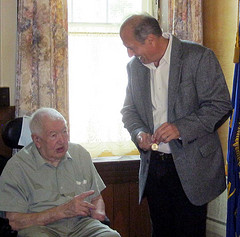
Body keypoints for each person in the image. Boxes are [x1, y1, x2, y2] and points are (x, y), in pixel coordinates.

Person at [120, 14, 232, 237]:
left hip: (193, 168)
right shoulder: (134, 67)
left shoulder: (198, 57)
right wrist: (138, 132)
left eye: (131, 47)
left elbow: (220, 105)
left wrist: (181, 128)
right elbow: (129, 111)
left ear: (151, 39)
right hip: (155, 168)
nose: (130, 54)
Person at [0, 108, 120, 237]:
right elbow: (14, 221)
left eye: (64, 132)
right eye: (53, 135)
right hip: (40, 228)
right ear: (37, 140)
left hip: (81, 225)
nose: (62, 140)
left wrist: (98, 212)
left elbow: (97, 197)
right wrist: (61, 212)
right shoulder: (17, 167)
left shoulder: (80, 154)